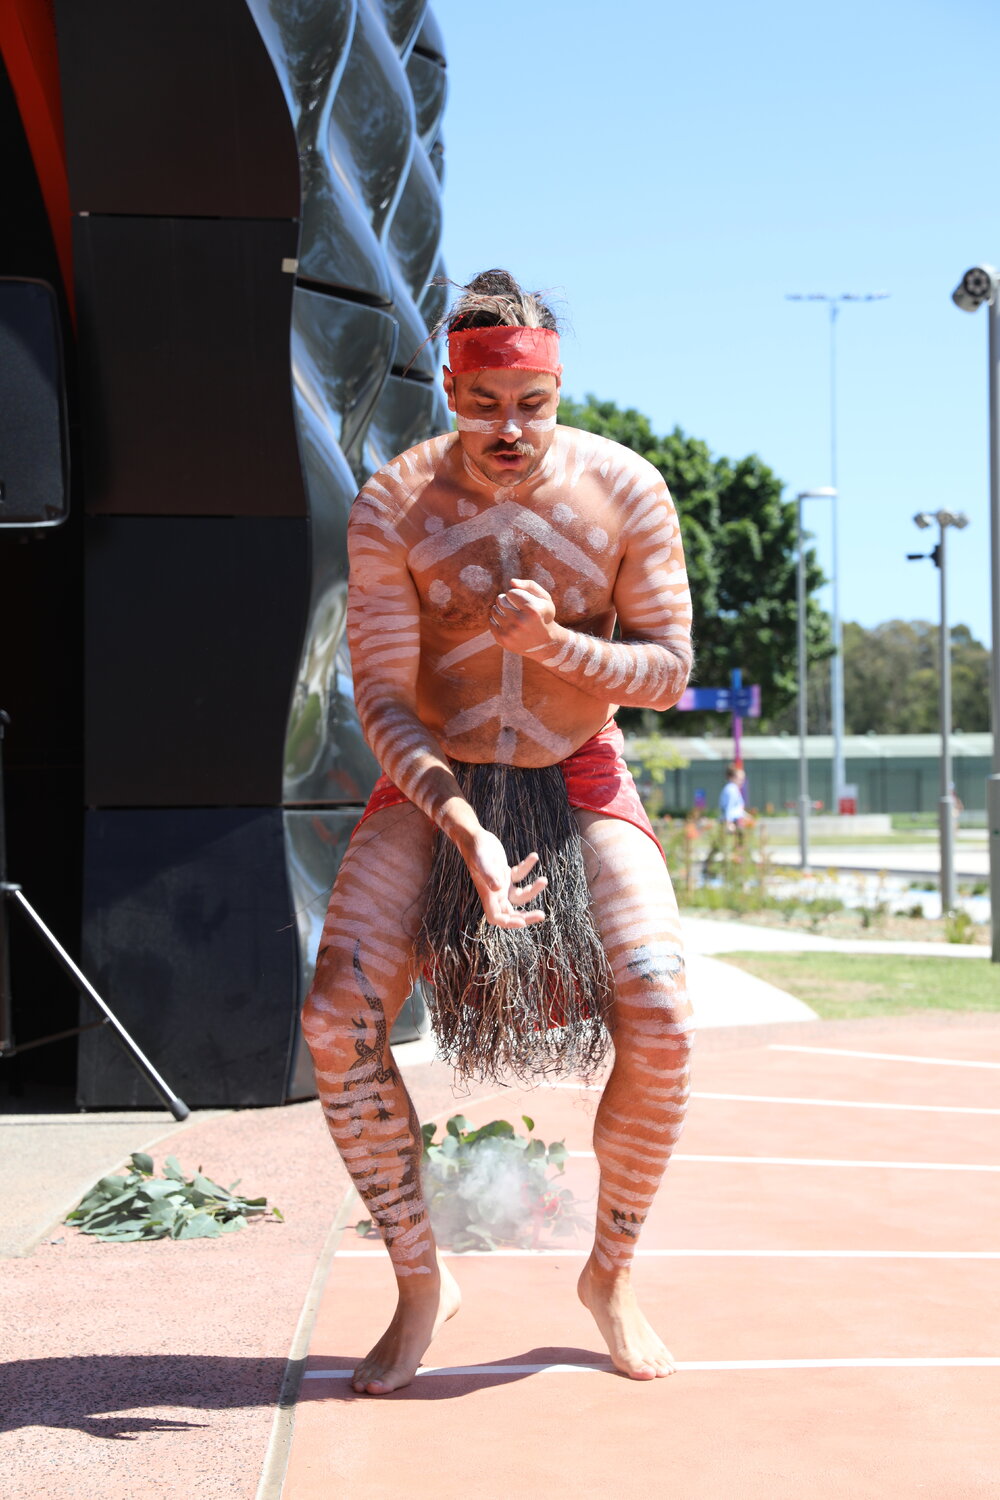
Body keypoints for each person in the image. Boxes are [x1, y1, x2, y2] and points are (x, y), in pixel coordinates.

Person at [301, 269, 694, 1393]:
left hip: (578, 773)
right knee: (335, 1019)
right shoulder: (394, 504)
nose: (509, 430)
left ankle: (609, 1274)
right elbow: (379, 698)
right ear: (451, 390)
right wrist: (461, 824)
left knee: (661, 1011)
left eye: (533, 403)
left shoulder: (627, 490)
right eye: (484, 407)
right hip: (437, 784)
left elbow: (668, 672)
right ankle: (422, 1281)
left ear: (557, 387)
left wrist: (559, 648)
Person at [719, 764, 747, 834]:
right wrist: (728, 823)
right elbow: (729, 807)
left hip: (736, 820)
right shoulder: (731, 789)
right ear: (733, 777)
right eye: (740, 779)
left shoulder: (734, 788)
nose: (742, 781)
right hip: (734, 821)